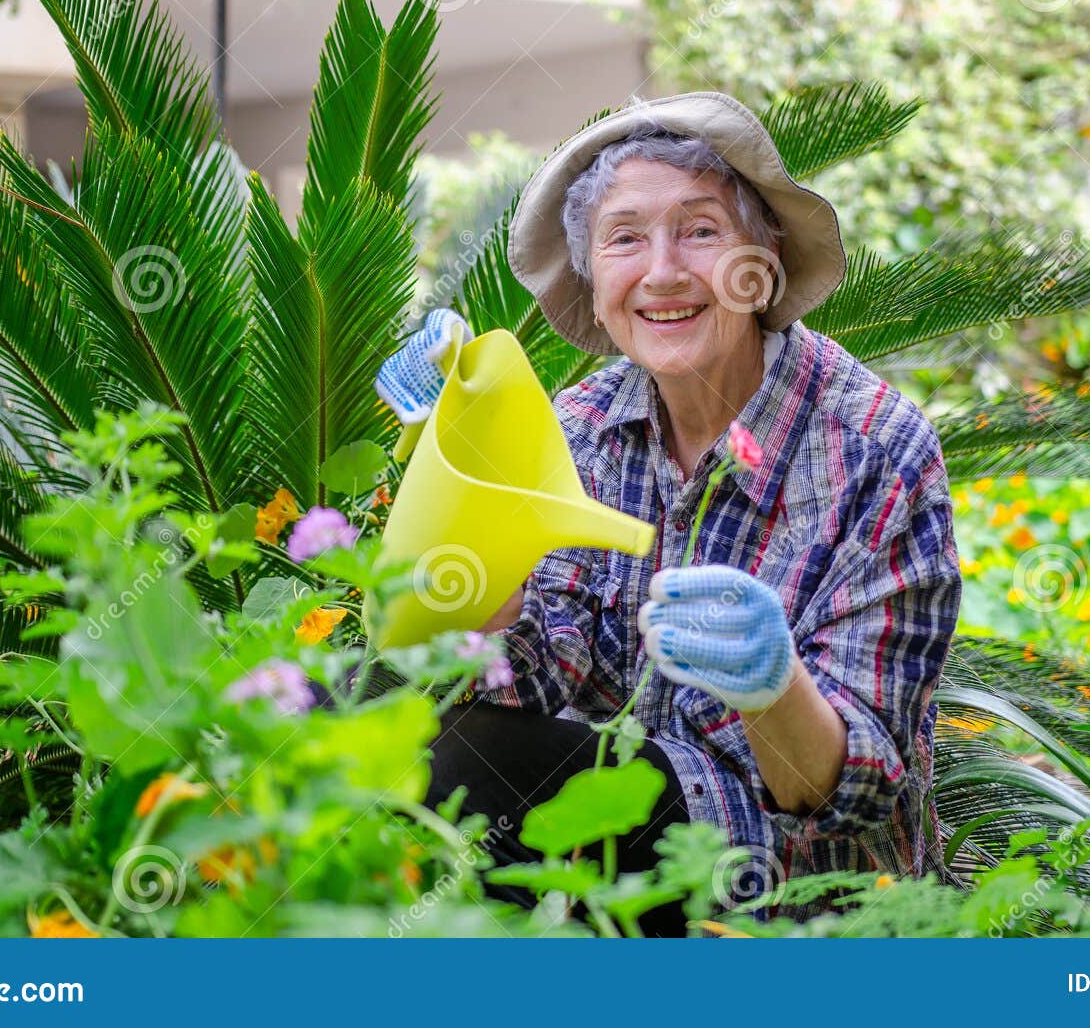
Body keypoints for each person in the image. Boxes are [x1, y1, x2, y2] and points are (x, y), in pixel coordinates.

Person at [375, 91, 962, 932]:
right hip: (620, 836)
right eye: (624, 238)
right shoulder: (582, 429)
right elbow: (530, 674)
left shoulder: (874, 450)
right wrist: (460, 481)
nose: (663, 272)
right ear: (592, 276)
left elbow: (854, 794)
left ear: (761, 263)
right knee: (359, 712)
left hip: (807, 891)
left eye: (700, 230)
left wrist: (773, 689)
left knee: (460, 763)